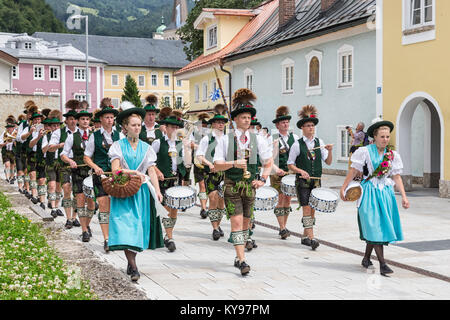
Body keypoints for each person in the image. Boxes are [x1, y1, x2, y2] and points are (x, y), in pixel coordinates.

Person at [214, 88, 272, 276]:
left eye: (249, 118)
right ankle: (242, 260)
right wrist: (233, 163)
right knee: (237, 223)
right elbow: (216, 165)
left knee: (247, 223)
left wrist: (262, 179)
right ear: (236, 119)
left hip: (250, 187)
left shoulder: (258, 139)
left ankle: (238, 254)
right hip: (231, 185)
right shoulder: (225, 139)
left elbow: (268, 162)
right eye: (243, 117)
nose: (246, 120)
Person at [340, 118, 409, 276]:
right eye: (382, 136)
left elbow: (396, 177)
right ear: (375, 137)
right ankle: (383, 264)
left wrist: (404, 197)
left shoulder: (392, 155)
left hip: (385, 193)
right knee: (373, 226)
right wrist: (343, 188)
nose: (385, 139)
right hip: (368, 193)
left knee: (379, 227)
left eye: (387, 136)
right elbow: (353, 171)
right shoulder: (364, 152)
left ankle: (366, 258)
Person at [108, 103, 164, 282]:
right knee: (127, 228)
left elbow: (152, 170)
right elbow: (116, 171)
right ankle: (133, 266)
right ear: (125, 127)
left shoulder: (146, 148)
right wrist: (134, 172)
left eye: (139, 125)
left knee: (137, 228)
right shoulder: (117, 146)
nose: (137, 128)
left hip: (140, 193)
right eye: (133, 125)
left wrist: (157, 190)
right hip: (124, 191)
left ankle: (131, 260)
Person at [287, 105, 333, 251]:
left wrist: (330, 151)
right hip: (303, 181)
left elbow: (328, 162)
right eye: (308, 126)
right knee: (306, 209)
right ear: (303, 128)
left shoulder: (320, 143)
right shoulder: (297, 144)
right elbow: (290, 164)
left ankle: (305, 236)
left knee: (313, 210)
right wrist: (300, 171)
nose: (311, 128)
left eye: (312, 125)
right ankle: (312, 238)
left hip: (316, 181)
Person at [84, 100, 124, 252]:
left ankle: (116, 236)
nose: (109, 120)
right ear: (100, 119)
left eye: (111, 117)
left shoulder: (120, 135)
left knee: (116, 206)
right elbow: (86, 157)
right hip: (100, 175)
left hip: (116, 175)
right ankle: (107, 239)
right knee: (103, 205)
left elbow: (123, 156)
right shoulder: (95, 136)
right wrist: (96, 167)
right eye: (106, 117)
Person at [152, 110, 187, 252]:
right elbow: (150, 162)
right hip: (163, 181)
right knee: (166, 208)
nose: (174, 129)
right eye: (171, 127)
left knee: (174, 210)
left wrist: (184, 179)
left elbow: (182, 163)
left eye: (176, 127)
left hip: (175, 180)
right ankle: (169, 236)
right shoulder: (158, 142)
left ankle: (168, 234)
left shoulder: (179, 144)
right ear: (165, 128)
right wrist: (158, 172)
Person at [60, 110, 96, 243]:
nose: (85, 121)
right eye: (82, 119)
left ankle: (87, 224)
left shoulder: (95, 136)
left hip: (92, 173)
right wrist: (70, 161)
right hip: (78, 173)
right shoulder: (72, 137)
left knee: (92, 203)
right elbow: (63, 154)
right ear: (78, 121)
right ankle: (84, 231)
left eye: (87, 119)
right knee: (80, 200)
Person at [195, 104, 227, 240]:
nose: (221, 125)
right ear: (213, 124)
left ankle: (218, 224)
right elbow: (199, 155)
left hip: (225, 173)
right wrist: (208, 163)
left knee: (222, 202)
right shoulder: (207, 138)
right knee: (213, 198)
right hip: (211, 173)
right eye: (218, 122)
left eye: (222, 122)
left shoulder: (228, 138)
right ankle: (214, 228)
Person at [48, 100, 80, 229]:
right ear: (66, 120)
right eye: (70, 119)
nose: (73, 121)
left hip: (79, 164)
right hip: (64, 164)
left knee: (78, 193)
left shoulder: (82, 132)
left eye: (74, 119)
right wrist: (59, 145)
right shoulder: (58, 132)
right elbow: (50, 147)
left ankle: (74, 217)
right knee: (67, 188)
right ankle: (68, 218)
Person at [271, 106, 300, 239]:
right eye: (283, 122)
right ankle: (282, 227)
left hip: (290, 173)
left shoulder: (295, 137)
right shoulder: (273, 138)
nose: (286, 124)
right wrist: (276, 169)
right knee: (280, 199)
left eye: (287, 122)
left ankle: (284, 225)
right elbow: (269, 158)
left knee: (287, 200)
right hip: (277, 172)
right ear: (277, 125)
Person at [42, 110, 64, 217]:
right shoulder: (47, 136)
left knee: (59, 187)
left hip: (61, 163)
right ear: (50, 127)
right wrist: (52, 145)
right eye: (53, 126)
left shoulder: (63, 135)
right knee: (51, 185)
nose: (55, 127)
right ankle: (53, 208)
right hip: (50, 162)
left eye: (57, 125)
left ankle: (58, 206)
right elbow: (43, 150)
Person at [26, 110, 47, 209]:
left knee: (42, 179)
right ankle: (34, 195)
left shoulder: (45, 128)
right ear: (32, 121)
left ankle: (42, 200)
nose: (37, 121)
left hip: (41, 155)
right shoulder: (30, 129)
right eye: (35, 119)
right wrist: (37, 136)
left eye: (39, 119)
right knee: (33, 174)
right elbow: (30, 144)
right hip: (32, 154)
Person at [193, 112, 210, 219]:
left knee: (207, 186)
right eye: (201, 125)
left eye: (205, 125)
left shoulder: (210, 135)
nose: (203, 127)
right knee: (202, 185)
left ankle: (204, 205)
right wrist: (198, 146)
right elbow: (189, 143)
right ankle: (203, 208)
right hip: (198, 162)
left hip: (208, 162)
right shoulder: (194, 133)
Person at [1, 116, 17, 184]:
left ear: (13, 127)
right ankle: (7, 178)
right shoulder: (4, 133)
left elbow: (18, 144)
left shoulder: (16, 133)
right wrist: (5, 143)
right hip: (6, 151)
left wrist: (14, 141)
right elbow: (0, 144)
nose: (9, 129)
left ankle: (12, 177)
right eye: (8, 127)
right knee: (7, 164)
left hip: (13, 151)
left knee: (13, 165)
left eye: (10, 127)